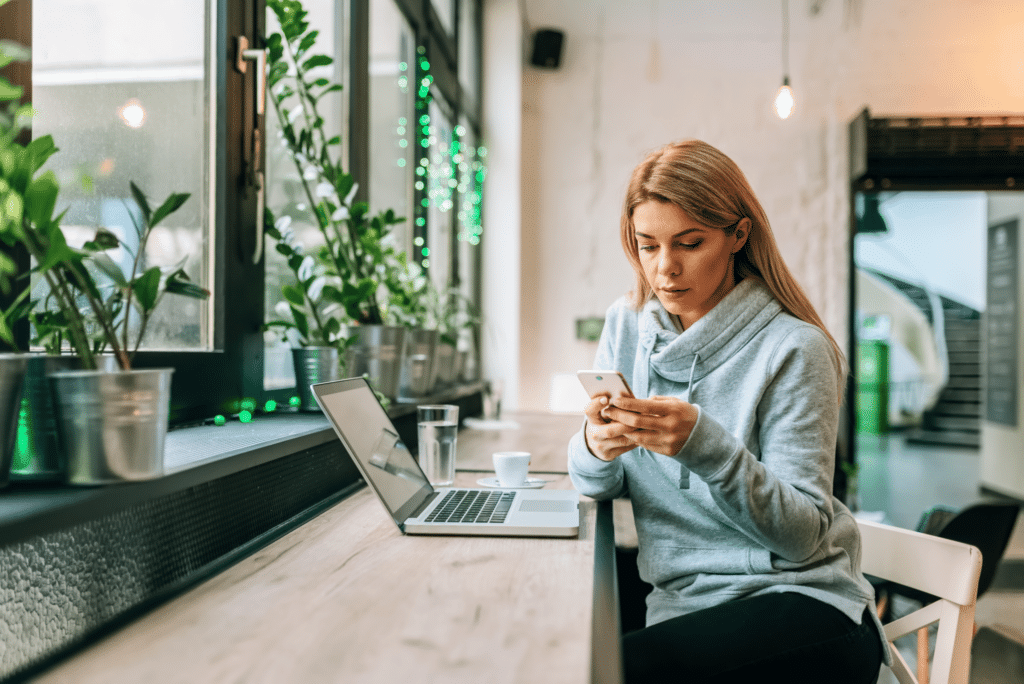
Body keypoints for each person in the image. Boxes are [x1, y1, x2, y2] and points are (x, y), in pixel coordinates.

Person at [567, 140, 888, 683]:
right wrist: (595, 446)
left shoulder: (795, 348)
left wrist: (706, 448)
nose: (665, 268)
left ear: (738, 235)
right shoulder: (626, 326)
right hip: (684, 605)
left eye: (689, 243)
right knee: (574, 658)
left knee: (603, 673)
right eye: (647, 246)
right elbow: (597, 482)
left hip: (806, 606)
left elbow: (804, 535)